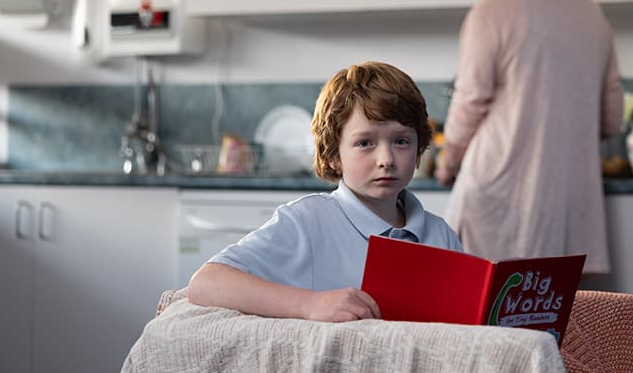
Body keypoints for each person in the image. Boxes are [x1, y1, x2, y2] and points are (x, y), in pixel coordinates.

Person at [435, 0, 623, 274]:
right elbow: (611, 118)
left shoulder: (492, 13)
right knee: (549, 321)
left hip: (499, 193)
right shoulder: (589, 12)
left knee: (484, 322)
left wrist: (447, 159)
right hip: (565, 200)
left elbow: (470, 100)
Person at [188, 61, 463, 322]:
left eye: (401, 141)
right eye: (365, 143)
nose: (386, 159)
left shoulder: (441, 234)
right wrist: (309, 304)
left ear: (419, 149)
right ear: (334, 155)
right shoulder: (307, 221)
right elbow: (206, 283)